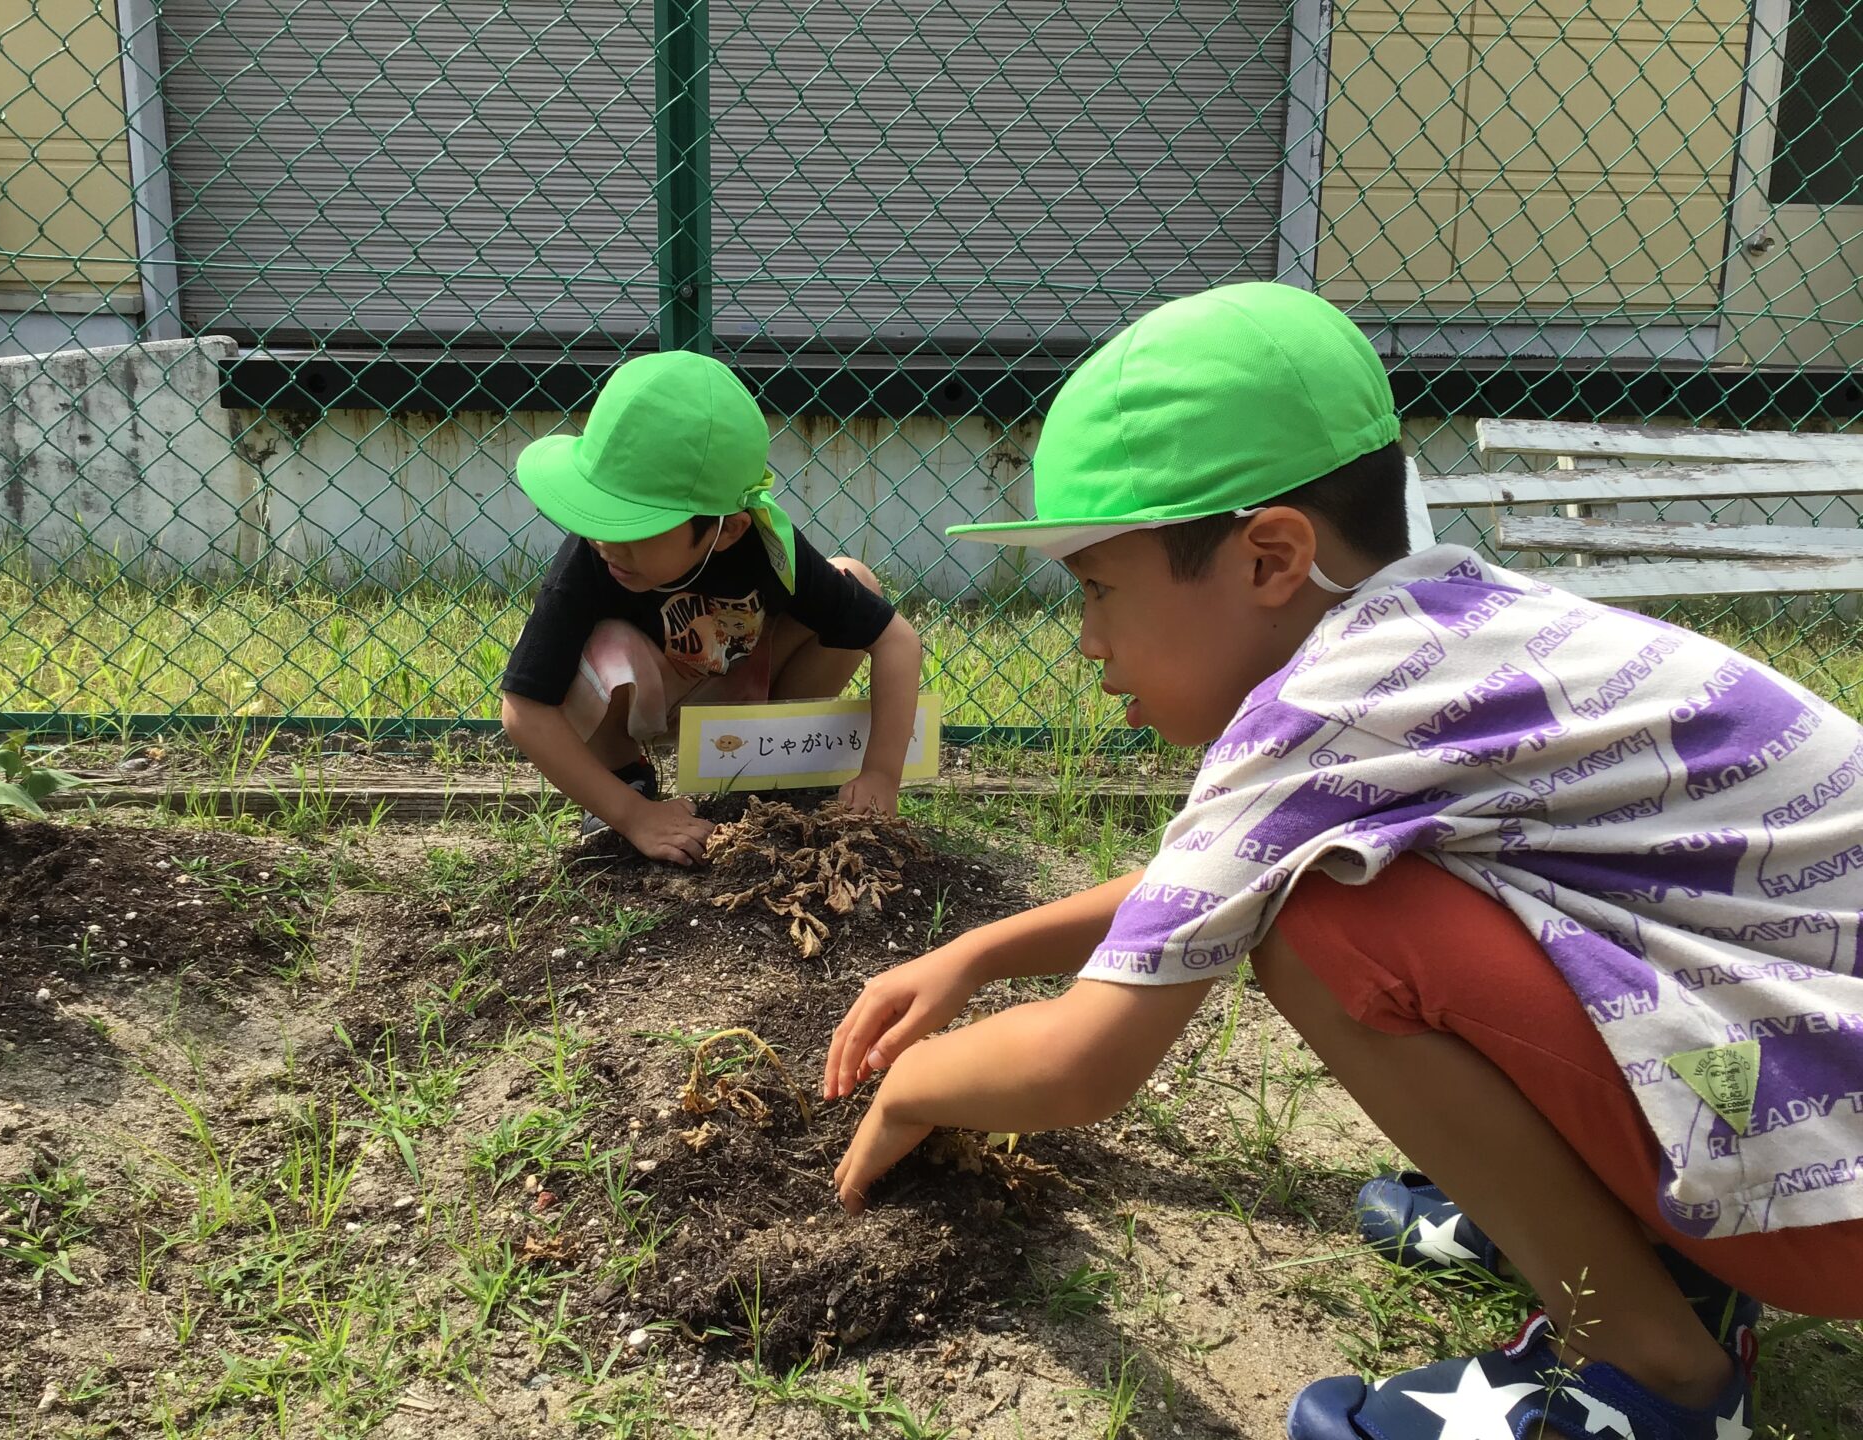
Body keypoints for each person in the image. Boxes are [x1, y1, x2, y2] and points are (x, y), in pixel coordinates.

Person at [821, 282, 1863, 1440]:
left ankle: (1650, 1374)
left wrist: (913, 1084)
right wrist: (982, 949)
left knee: (1322, 921)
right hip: (1816, 1116)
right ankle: (1629, 1243)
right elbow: (1200, 881)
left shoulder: (1330, 703)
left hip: (1827, 1208)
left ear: (1272, 557)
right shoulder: (1453, 631)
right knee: (1339, 879)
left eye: (1100, 588)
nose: (1089, 640)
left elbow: (1086, 1063)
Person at [500, 351, 922, 864]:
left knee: (857, 580)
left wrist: (880, 772)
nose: (607, 542)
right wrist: (633, 817)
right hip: (644, 702)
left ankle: (767, 768)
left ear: (729, 529)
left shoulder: (768, 548)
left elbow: (897, 641)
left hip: (738, 697)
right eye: (598, 514)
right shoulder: (590, 557)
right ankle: (623, 776)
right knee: (605, 644)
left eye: (635, 525)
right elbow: (524, 708)